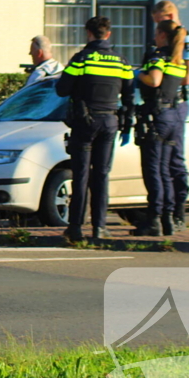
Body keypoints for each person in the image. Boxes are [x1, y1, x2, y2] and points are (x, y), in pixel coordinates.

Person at [55, 17, 134, 242]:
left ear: (88, 33)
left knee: (81, 175)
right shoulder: (122, 61)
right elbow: (129, 95)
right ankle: (99, 227)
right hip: (110, 122)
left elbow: (62, 89)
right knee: (101, 175)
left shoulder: (82, 59)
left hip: (85, 121)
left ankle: (76, 227)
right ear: (108, 34)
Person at [133, 20, 187, 236]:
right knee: (165, 170)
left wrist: (136, 74)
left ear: (163, 35)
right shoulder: (178, 61)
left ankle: (154, 221)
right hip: (173, 117)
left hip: (157, 117)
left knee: (153, 170)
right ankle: (168, 219)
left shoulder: (158, 57)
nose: (154, 37)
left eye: (156, 33)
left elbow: (154, 80)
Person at [151, 1, 189, 232]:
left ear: (170, 16)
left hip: (175, 105)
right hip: (167, 105)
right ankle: (166, 214)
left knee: (174, 161)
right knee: (164, 162)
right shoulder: (166, 42)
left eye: (160, 22)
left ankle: (178, 211)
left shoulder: (186, 41)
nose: (157, 30)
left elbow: (186, 78)